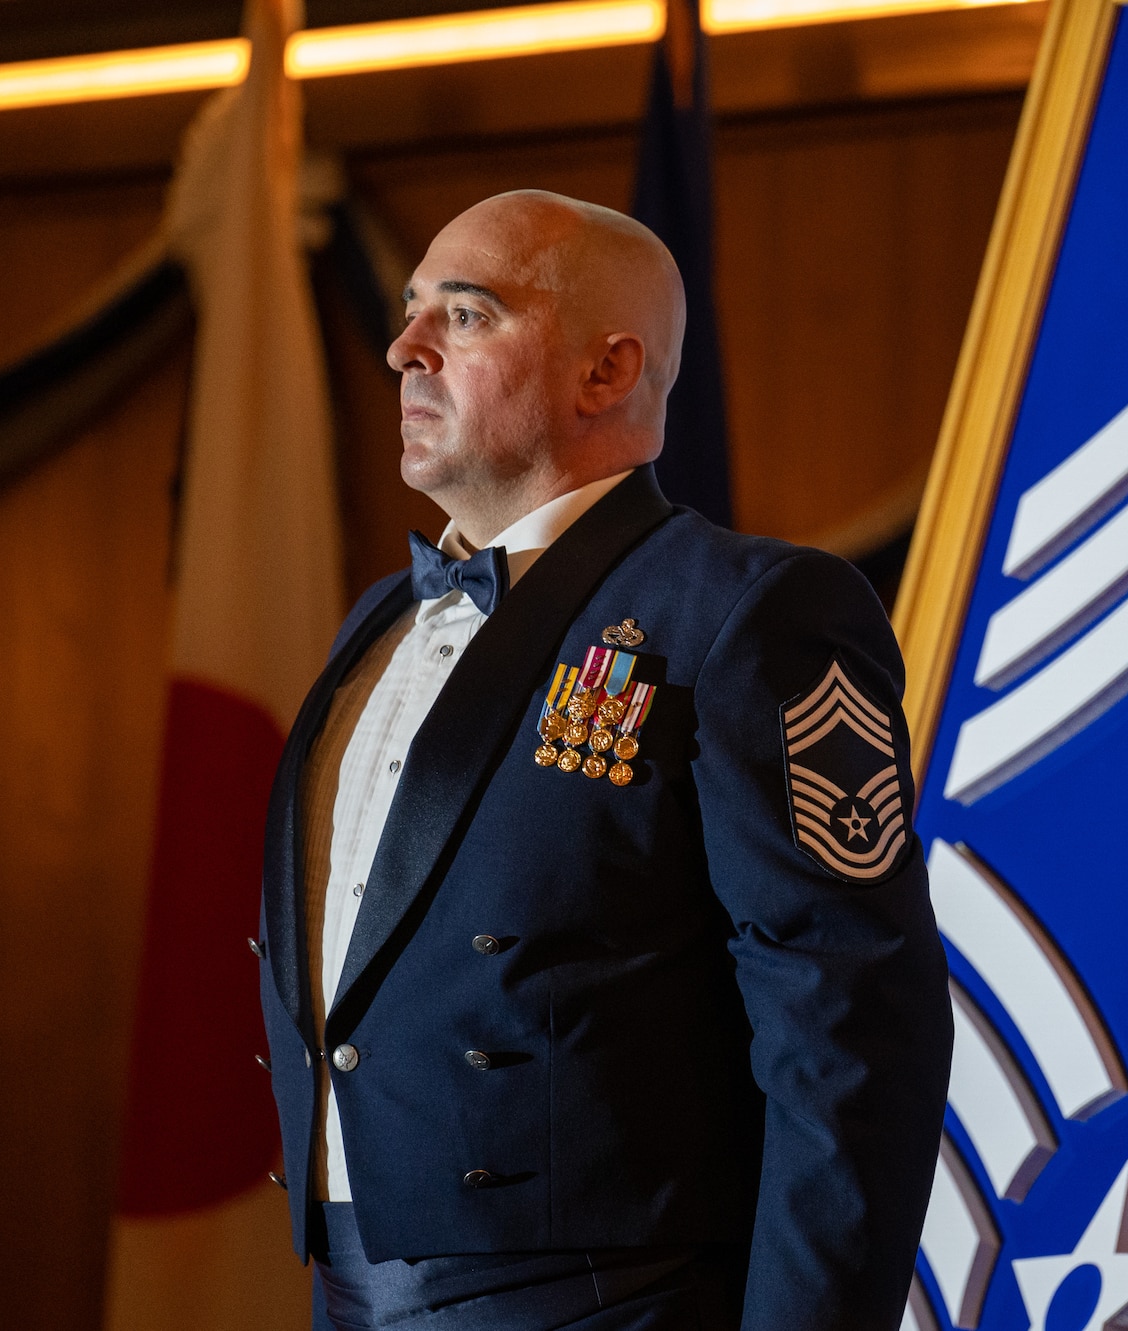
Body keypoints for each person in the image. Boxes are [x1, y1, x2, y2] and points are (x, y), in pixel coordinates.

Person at [254, 189, 953, 1331]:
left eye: (466, 315)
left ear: (606, 370)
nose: (402, 348)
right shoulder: (377, 621)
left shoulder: (748, 613)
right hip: (344, 1296)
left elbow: (855, 1030)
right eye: (409, 308)